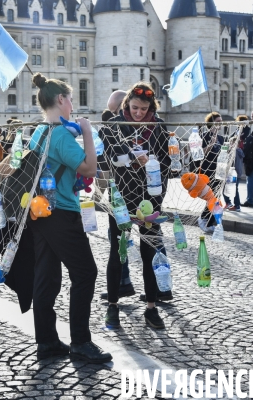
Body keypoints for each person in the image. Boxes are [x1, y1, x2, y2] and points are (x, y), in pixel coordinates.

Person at [27, 73, 111, 363]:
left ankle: (47, 341)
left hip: (41, 211)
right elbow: (89, 168)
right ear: (61, 100)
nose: (72, 105)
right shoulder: (61, 134)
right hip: (62, 211)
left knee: (47, 277)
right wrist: (87, 131)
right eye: (70, 99)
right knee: (86, 273)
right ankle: (81, 341)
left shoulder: (39, 131)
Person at [102, 82, 172, 330]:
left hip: (149, 199)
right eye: (134, 108)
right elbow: (104, 158)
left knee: (149, 253)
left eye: (144, 108)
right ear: (126, 105)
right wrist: (131, 159)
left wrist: (151, 165)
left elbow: (166, 165)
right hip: (121, 197)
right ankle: (112, 306)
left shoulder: (159, 127)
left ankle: (152, 309)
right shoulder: (113, 126)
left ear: (151, 107)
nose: (139, 113)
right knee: (116, 253)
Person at [99, 90, 136, 300]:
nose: (113, 117)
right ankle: (123, 283)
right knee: (119, 239)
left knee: (152, 240)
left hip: (137, 194)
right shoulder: (112, 129)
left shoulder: (142, 127)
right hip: (119, 193)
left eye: (115, 112)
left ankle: (160, 288)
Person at [195, 112, 224, 232]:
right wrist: (210, 145)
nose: (220, 124)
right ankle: (203, 218)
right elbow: (199, 155)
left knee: (217, 197)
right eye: (218, 122)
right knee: (211, 197)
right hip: (207, 171)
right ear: (211, 123)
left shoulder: (221, 138)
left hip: (218, 171)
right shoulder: (204, 136)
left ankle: (210, 221)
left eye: (221, 122)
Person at [225, 115, 248, 212]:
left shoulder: (237, 151)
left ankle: (236, 205)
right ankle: (231, 204)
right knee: (231, 188)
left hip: (234, 172)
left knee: (233, 189)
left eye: (232, 144)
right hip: (234, 172)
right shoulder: (237, 150)